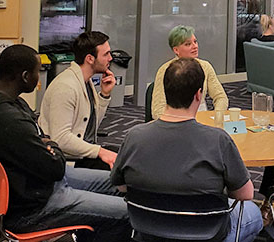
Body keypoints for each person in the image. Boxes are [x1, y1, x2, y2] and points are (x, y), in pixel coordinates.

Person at [0, 45, 131, 242]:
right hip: (34, 208)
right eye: (36, 72)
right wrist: (51, 144)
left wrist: (48, 144)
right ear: (24, 76)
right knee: (127, 213)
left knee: (119, 182)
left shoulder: (11, 106)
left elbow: (45, 144)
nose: (38, 77)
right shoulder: (8, 120)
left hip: (42, 186)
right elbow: (55, 165)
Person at [111, 58, 262, 242]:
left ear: (165, 91)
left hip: (148, 229)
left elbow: (121, 186)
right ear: (199, 94)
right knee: (254, 212)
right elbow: (245, 194)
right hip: (207, 232)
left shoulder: (133, 136)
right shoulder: (218, 140)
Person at [39, 31, 117, 170]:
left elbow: (89, 127)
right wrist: (99, 151)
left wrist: (104, 95)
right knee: (124, 170)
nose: (110, 58)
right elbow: (61, 139)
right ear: (90, 59)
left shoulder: (85, 81)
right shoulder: (66, 87)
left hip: (82, 153)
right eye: (106, 54)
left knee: (129, 156)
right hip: (68, 161)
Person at [152, 25, 228, 120]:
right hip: (173, 120)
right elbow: (157, 109)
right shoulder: (165, 70)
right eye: (188, 44)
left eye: (195, 42)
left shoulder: (205, 66)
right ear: (176, 50)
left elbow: (220, 97)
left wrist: (218, 117)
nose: (195, 46)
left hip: (201, 118)